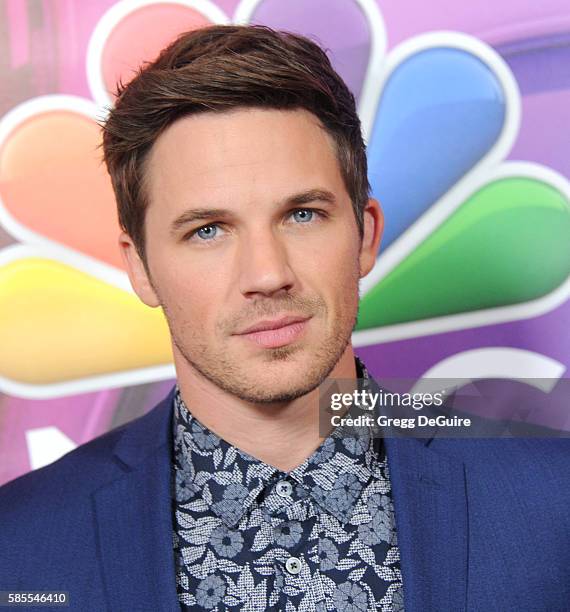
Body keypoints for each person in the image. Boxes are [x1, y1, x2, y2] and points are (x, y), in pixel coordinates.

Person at [0, 24, 569, 612]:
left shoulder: (552, 500)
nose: (268, 274)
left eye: (302, 215)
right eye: (208, 231)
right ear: (141, 268)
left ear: (366, 233)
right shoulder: (19, 549)